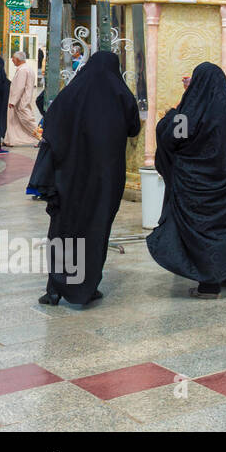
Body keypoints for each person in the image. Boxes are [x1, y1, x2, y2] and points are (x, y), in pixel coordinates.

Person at [31, 51, 141, 307]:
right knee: (95, 229)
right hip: (104, 180)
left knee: (62, 229)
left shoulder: (72, 93)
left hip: (68, 178)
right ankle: (86, 288)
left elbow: (49, 118)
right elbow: (134, 128)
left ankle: (54, 290)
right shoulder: (121, 94)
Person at [147, 63, 226, 299]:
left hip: (195, 181)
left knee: (202, 230)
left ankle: (209, 285)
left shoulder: (190, 111)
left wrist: (172, 114)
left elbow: (174, 138)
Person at [4, 50, 40, 146]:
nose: (12, 60)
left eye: (13, 58)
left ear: (18, 59)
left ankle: (42, 136)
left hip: (21, 101)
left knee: (27, 120)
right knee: (14, 120)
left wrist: (13, 101)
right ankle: (9, 140)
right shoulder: (27, 68)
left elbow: (19, 87)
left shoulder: (23, 70)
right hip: (22, 99)